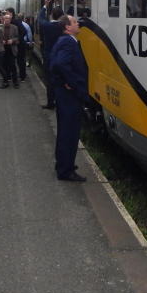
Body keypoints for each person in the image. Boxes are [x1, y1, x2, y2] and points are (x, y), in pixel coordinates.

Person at [49, 14, 89, 182]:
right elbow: (59, 64)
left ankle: (64, 165)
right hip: (70, 97)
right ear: (67, 27)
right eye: (74, 22)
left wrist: (62, 81)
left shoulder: (64, 41)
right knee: (69, 133)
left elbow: (53, 64)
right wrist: (71, 83)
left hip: (65, 95)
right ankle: (66, 171)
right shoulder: (67, 42)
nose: (77, 23)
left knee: (66, 132)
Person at [38, 0, 65, 109]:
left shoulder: (47, 26)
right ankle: (60, 103)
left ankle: (50, 103)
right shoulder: (65, 27)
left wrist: (45, 5)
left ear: (51, 15)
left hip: (49, 57)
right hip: (62, 58)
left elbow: (40, 18)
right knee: (61, 81)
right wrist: (58, 4)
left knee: (50, 81)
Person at [1, 11, 20, 89]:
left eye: (8, 19)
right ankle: (5, 81)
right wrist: (1, 41)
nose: (7, 20)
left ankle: (15, 82)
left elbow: (18, 38)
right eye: (6, 19)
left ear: (10, 20)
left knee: (13, 66)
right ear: (3, 19)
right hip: (3, 49)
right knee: (4, 66)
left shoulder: (14, 27)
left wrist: (12, 41)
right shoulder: (0, 27)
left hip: (11, 49)